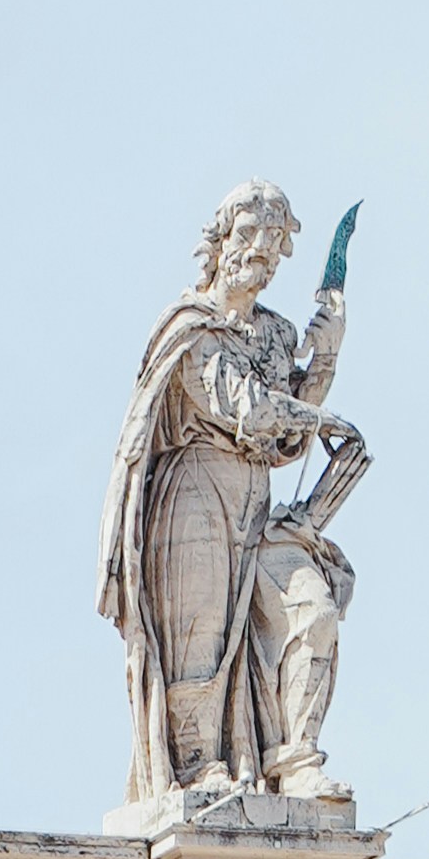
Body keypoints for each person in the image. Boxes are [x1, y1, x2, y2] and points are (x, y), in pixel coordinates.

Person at [99, 184, 359, 825]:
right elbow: (241, 405)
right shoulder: (189, 328)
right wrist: (313, 410)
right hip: (194, 492)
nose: (261, 254)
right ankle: (197, 768)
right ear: (220, 243)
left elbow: (289, 438)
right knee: (201, 633)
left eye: (274, 246)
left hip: (255, 501)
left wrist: (324, 351)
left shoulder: (274, 333)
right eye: (250, 237)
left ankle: (295, 762)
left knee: (309, 609)